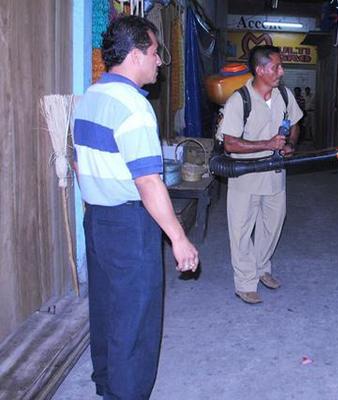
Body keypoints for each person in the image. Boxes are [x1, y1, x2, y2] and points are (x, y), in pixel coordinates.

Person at [73, 16, 199, 398]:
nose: (160, 62)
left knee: (107, 309)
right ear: (135, 55)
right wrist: (178, 237)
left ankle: (107, 385)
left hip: (97, 219)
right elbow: (148, 182)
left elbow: (79, 164)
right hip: (129, 224)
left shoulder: (90, 97)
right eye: (156, 52)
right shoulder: (134, 107)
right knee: (136, 316)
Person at [217, 45, 303, 304]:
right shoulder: (238, 100)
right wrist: (267, 144)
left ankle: (262, 268)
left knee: (272, 225)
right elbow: (230, 143)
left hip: (275, 176)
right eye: (276, 66)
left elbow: (296, 123)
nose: (281, 71)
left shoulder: (284, 96)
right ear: (260, 70)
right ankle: (245, 283)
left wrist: (290, 146)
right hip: (245, 177)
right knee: (242, 231)